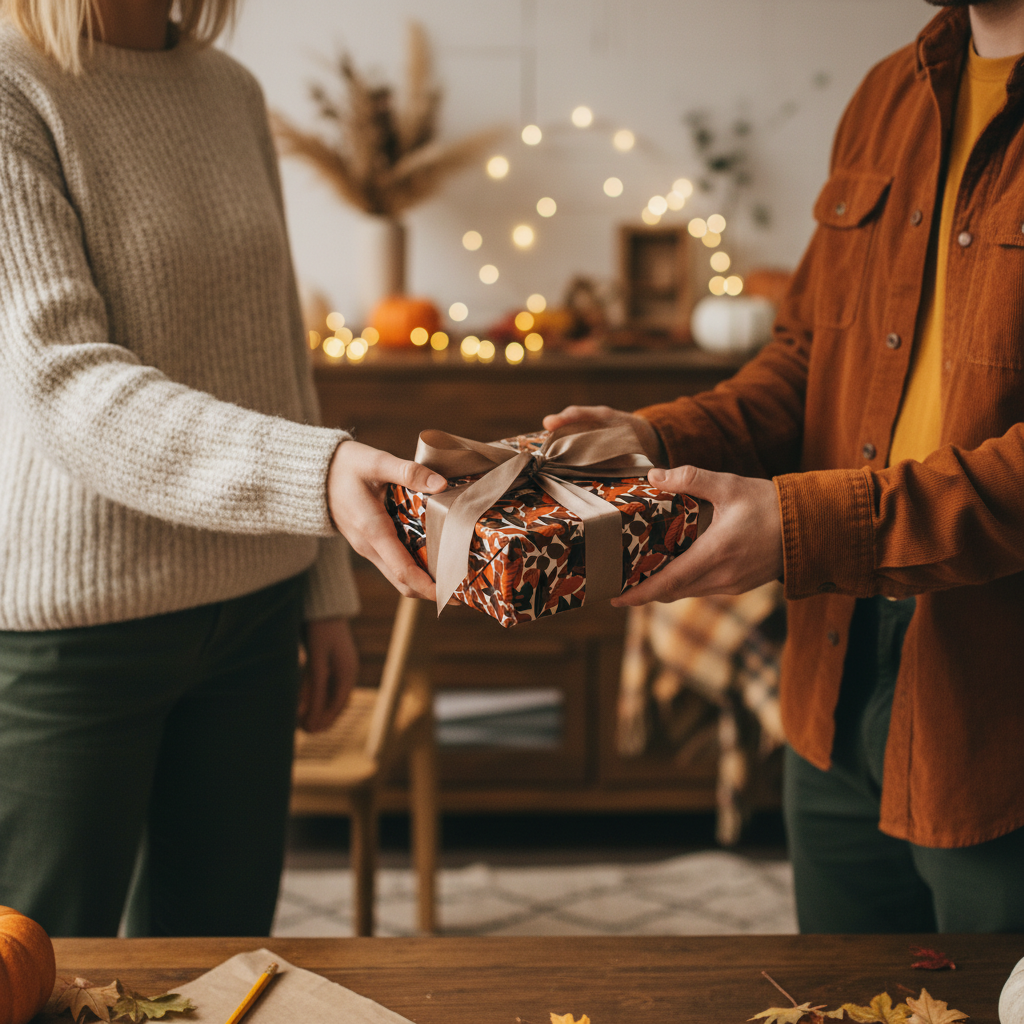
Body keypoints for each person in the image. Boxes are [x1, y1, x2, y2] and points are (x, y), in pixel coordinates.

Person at [546, 0, 1024, 933]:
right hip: (837, 669)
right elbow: (809, 357)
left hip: (1000, 707)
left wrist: (803, 528)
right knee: (840, 995)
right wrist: (657, 439)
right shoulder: (891, 90)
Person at [0, 0, 443, 937]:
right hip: (78, 634)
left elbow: (279, 350)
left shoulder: (229, 90)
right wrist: (318, 480)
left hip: (256, 615)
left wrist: (323, 589)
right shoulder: (13, 85)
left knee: (216, 963)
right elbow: (65, 384)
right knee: (41, 968)